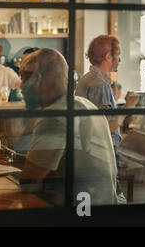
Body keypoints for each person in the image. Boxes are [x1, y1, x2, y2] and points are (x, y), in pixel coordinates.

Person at [18, 48, 119, 206]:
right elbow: (46, 164)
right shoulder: (84, 104)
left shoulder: (55, 116)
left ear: (37, 79)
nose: (21, 87)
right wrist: (12, 159)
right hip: (102, 210)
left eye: (23, 79)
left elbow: (28, 182)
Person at [75, 35, 139, 202]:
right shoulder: (100, 84)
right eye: (118, 55)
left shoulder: (88, 79)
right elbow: (106, 126)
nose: (119, 59)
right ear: (108, 56)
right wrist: (129, 106)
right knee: (112, 200)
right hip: (102, 152)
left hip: (89, 150)